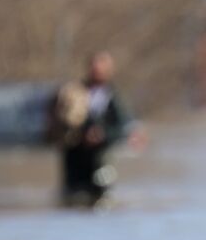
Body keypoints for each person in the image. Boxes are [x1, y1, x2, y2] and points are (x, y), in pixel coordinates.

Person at [47, 51, 143, 207]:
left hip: (101, 157)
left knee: (102, 198)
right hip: (75, 155)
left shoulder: (113, 97)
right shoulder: (74, 92)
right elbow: (60, 121)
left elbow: (123, 126)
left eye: (102, 68)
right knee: (73, 198)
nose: (97, 71)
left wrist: (102, 134)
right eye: (94, 68)